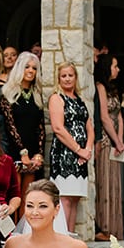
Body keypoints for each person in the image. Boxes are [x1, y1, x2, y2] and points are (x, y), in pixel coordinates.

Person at [48, 60, 94, 233]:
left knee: (75, 199)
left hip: (82, 156)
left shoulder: (80, 100)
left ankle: (71, 239)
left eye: (70, 75)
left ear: (76, 77)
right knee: (65, 198)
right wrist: (78, 150)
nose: (67, 79)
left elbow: (90, 127)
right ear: (58, 79)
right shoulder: (56, 98)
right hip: (64, 154)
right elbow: (58, 128)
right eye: (63, 76)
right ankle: (62, 239)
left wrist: (87, 150)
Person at [0, 51, 45, 218]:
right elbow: (10, 126)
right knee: (15, 196)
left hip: (33, 152)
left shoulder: (37, 95)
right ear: (20, 68)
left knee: (29, 198)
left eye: (34, 68)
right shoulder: (8, 93)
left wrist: (39, 153)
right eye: (27, 67)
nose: (31, 71)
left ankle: (27, 234)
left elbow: (41, 127)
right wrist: (22, 152)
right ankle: (14, 236)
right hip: (15, 151)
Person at [94, 53, 124, 240]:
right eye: (115, 65)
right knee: (105, 183)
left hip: (116, 142)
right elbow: (105, 117)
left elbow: (119, 116)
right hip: (106, 140)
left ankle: (115, 228)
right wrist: (114, 140)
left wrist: (120, 141)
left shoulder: (114, 89)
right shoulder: (100, 87)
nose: (118, 69)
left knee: (115, 183)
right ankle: (104, 227)